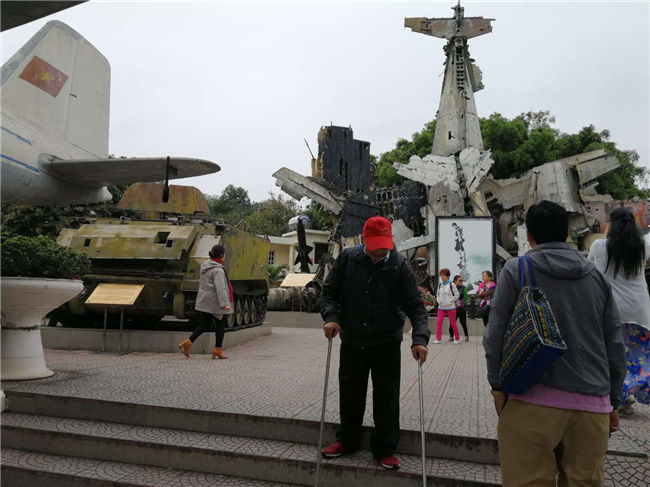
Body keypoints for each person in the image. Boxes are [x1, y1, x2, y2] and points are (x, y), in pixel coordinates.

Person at [483, 200, 626, 487]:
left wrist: (497, 387)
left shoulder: (517, 269)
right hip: (591, 409)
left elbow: (495, 333)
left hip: (530, 403)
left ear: (529, 236)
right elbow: (614, 344)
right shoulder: (596, 277)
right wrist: (612, 400)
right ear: (566, 232)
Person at [319, 216, 430, 470]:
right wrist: (331, 317)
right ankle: (347, 440)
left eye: (384, 245)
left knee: (387, 397)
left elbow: (416, 306)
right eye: (375, 245)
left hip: (386, 342)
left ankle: (384, 448)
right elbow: (330, 291)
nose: (380, 251)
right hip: (353, 339)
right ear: (364, 240)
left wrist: (420, 339)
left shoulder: (399, 265)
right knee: (350, 393)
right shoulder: (348, 259)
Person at [588, 207, 650, 411]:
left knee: (613, 356)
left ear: (611, 225)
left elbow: (589, 268)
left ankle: (620, 397)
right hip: (639, 309)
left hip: (611, 310)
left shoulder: (599, 246)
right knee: (639, 356)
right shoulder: (642, 246)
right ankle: (631, 391)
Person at [178, 244, 233, 360]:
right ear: (222, 255)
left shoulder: (205, 265)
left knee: (206, 323)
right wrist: (225, 304)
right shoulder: (218, 270)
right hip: (214, 301)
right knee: (221, 323)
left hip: (205, 300)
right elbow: (220, 288)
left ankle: (188, 342)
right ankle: (218, 349)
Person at [434, 268, 460, 344]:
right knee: (439, 323)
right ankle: (438, 339)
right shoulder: (440, 285)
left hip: (450, 307)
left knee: (453, 323)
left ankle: (457, 338)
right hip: (441, 307)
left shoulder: (452, 284)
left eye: (443, 275)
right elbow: (437, 294)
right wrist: (439, 301)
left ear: (448, 276)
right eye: (441, 275)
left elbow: (457, 295)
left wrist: (450, 301)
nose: (442, 277)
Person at [449, 275, 469, 342]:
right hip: (453, 307)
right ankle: (451, 336)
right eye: (459, 280)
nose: (461, 282)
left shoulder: (464, 288)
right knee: (452, 322)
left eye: (462, 280)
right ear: (455, 281)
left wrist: (459, 304)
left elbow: (465, 298)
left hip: (461, 308)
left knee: (463, 322)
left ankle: (466, 336)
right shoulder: (451, 288)